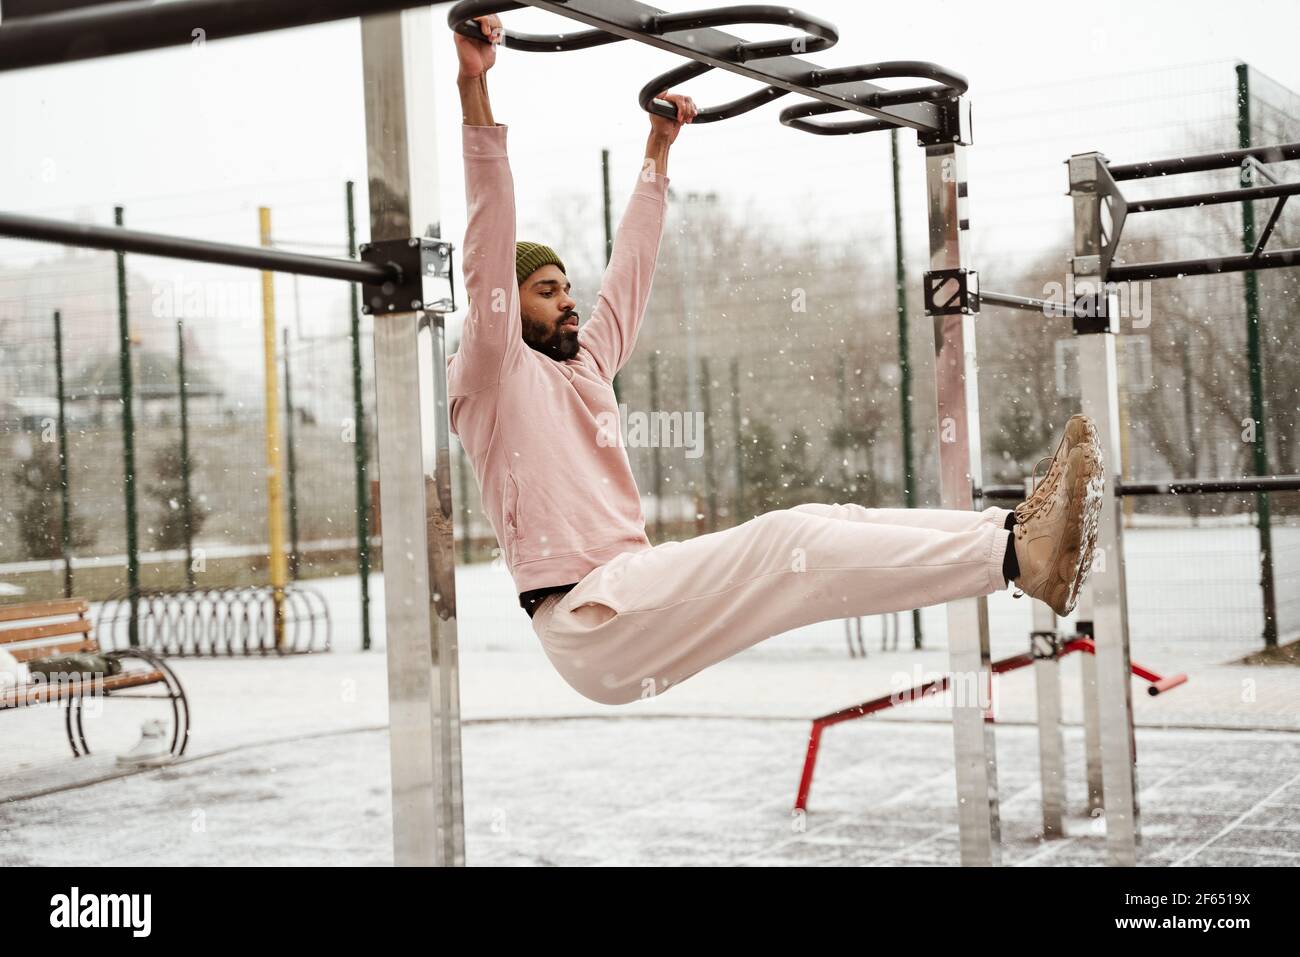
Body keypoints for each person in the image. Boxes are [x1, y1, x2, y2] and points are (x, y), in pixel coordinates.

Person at [448, 16, 1104, 706]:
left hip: (632, 588)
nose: (569, 302)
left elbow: (631, 271)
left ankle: (1015, 539)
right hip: (587, 617)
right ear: (506, 306)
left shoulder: (583, 365)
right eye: (546, 292)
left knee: (832, 518)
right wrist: (475, 87)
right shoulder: (495, 370)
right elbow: (490, 228)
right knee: (784, 539)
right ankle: (1012, 555)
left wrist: (657, 155)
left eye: (567, 287)